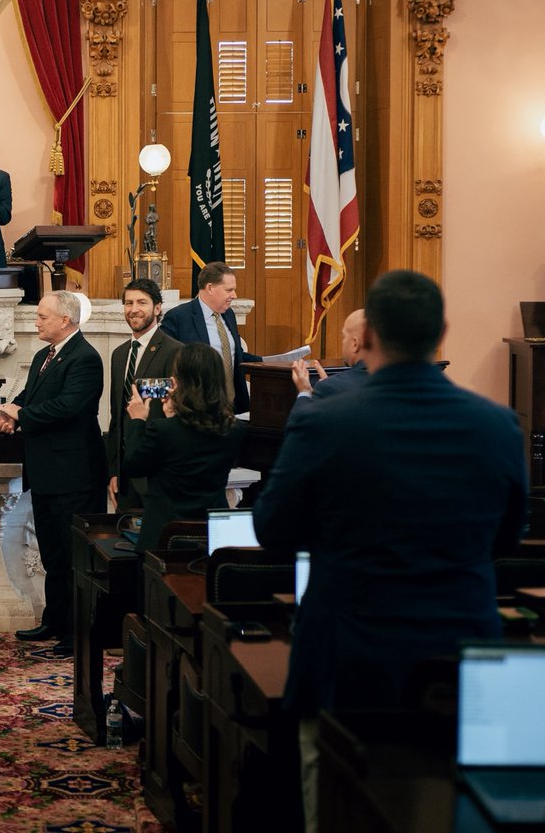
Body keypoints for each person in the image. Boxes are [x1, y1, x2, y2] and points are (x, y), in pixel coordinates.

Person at [252, 270, 528, 832]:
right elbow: (507, 540)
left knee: (336, 807)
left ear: (368, 336)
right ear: (440, 333)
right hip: (461, 652)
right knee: (455, 810)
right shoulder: (498, 425)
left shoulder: (325, 420)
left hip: (347, 650)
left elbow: (273, 529)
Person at [0, 291, 106, 656]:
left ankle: (76, 634)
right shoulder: (46, 354)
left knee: (74, 558)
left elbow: (68, 407)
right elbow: (30, 396)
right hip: (44, 473)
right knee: (53, 555)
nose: (37, 321)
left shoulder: (86, 358)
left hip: (73, 475)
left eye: (43, 316)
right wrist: (11, 413)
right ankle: (54, 621)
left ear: (65, 320)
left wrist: (20, 415)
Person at [121, 343, 247, 549]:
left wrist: (138, 421)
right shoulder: (235, 429)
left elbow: (133, 464)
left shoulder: (163, 430)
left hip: (166, 535)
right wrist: (174, 415)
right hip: (210, 533)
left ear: (180, 381)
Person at [106, 277, 183, 510]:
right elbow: (116, 417)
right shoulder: (119, 354)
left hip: (157, 476)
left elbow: (176, 416)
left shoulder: (175, 351)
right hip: (125, 478)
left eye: (142, 303)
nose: (134, 310)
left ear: (157, 308)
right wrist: (114, 471)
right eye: (129, 303)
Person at [159, 261, 261, 414]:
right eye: (229, 290)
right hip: (197, 409)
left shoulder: (229, 314)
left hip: (234, 409)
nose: (234, 295)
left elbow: (236, 355)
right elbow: (165, 363)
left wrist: (270, 362)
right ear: (210, 288)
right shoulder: (178, 317)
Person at [288, 308, 367, 416]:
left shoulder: (333, 388)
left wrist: (305, 392)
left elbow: (299, 430)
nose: (342, 342)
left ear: (355, 344)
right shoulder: (396, 383)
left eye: (343, 336)